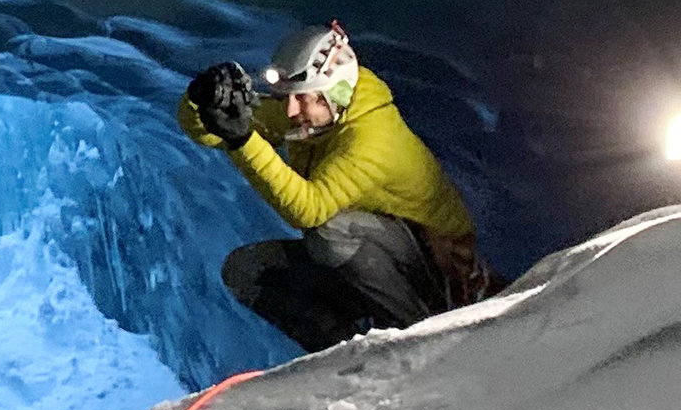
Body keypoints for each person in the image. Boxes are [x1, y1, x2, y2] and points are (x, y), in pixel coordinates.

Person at [180, 21, 495, 352]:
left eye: (302, 100)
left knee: (329, 230)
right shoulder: (318, 114)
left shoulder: (372, 139)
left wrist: (242, 139)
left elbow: (307, 211)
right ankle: (342, 353)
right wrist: (200, 100)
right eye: (286, 98)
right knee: (245, 271)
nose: (290, 110)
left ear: (335, 94)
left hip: (440, 269)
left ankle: (416, 339)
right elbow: (210, 131)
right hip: (375, 257)